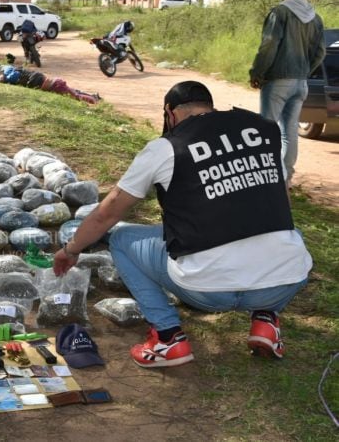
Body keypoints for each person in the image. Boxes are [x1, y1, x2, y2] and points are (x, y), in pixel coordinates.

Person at [53, 81, 312, 368]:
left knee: (122, 240)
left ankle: (168, 337)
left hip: (208, 290)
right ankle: (266, 320)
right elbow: (282, 202)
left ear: (169, 113)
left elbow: (106, 214)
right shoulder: (263, 130)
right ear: (210, 107)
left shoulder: (166, 147)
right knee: (283, 238)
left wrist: (72, 248)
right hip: (283, 283)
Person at [249, 0, 325, 185]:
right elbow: (320, 52)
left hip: (277, 80)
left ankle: (267, 179)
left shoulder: (280, 12)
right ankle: (286, 180)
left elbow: (269, 44)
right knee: (289, 132)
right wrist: (304, 71)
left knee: (267, 129)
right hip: (301, 83)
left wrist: (257, 72)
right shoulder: (315, 18)